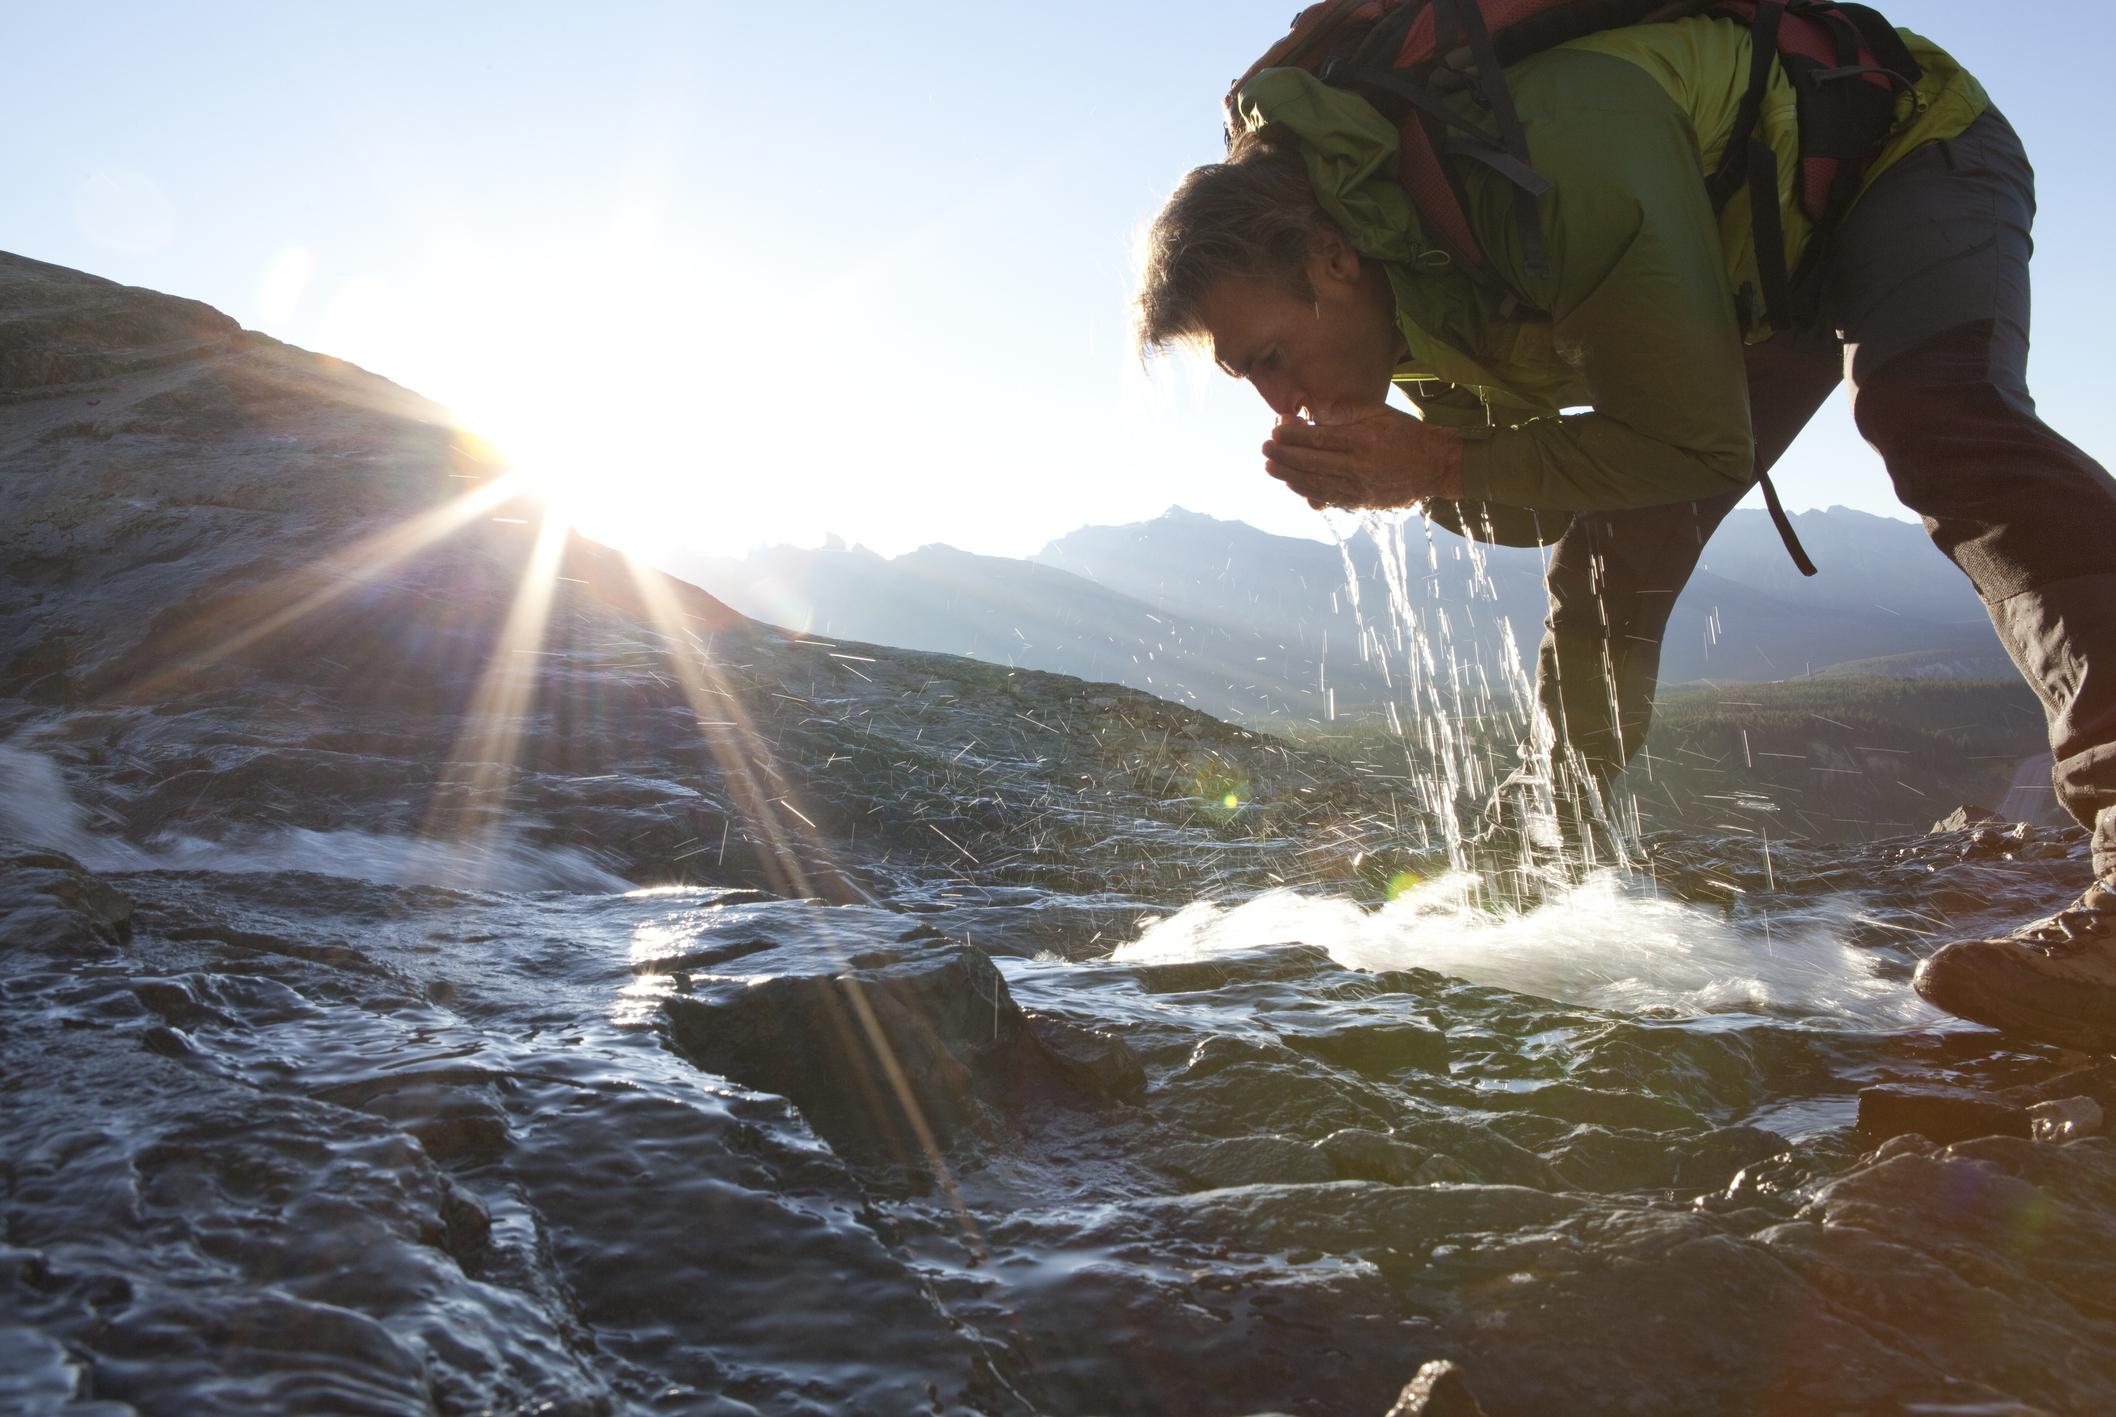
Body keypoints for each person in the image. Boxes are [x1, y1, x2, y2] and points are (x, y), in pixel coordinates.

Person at [1134, 9, 2116, 1051]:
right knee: (1614, 552)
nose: (1280, 405)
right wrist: (1411, 480)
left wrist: (1438, 462)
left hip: (1897, 151)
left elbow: (1683, 446)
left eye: (1273, 357)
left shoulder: (1555, 157)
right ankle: (1533, 862)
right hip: (1744, 263)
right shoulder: (1410, 295)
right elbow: (1545, 502)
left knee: (1934, 411)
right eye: (1252, 378)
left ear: (1331, 258)